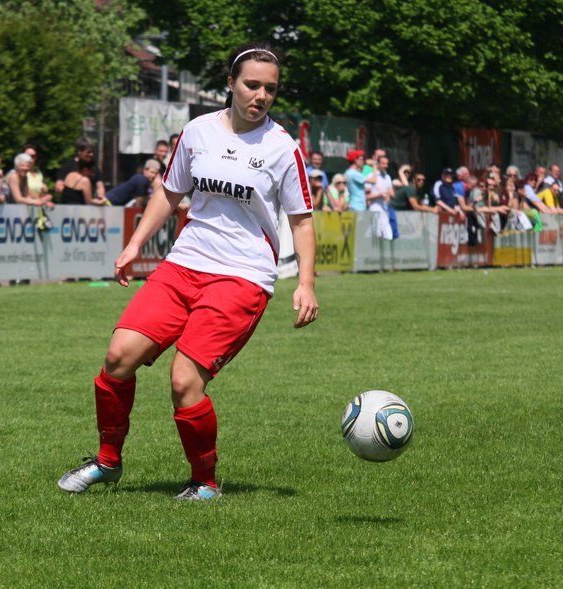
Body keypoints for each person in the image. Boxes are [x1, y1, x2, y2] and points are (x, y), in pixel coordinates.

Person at [57, 43, 318, 501]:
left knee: (185, 381)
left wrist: (307, 284)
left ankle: (205, 482)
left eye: (270, 89)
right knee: (118, 358)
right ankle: (107, 462)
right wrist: (135, 245)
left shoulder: (282, 148)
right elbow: (169, 192)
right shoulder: (198, 132)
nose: (260, 95)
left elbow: (301, 220)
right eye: (251, 85)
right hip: (183, 265)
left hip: (242, 276)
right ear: (231, 84)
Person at [55, 137, 106, 203]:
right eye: (88, 152)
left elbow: (100, 186)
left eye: (92, 152)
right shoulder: (68, 166)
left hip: (89, 204)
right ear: (79, 152)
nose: (91, 154)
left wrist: (101, 197)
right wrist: (77, 194)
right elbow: (58, 187)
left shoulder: (93, 166)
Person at [367, 155, 394, 240]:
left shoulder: (388, 177)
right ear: (378, 164)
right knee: (378, 234)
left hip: (385, 209)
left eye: (387, 164)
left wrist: (389, 195)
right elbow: (367, 197)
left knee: (388, 235)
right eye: (383, 163)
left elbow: (391, 193)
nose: (385, 166)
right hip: (375, 207)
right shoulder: (371, 176)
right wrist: (380, 195)